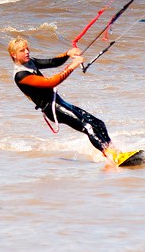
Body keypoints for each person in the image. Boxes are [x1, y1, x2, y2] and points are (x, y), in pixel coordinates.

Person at [8, 36, 126, 165]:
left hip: (59, 102)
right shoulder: (21, 75)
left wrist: (68, 54)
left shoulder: (30, 62)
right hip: (52, 108)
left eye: (27, 49)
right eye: (22, 51)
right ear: (14, 55)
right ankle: (111, 155)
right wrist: (73, 66)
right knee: (88, 126)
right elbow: (50, 83)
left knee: (98, 123)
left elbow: (53, 62)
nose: (27, 52)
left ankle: (115, 152)